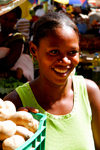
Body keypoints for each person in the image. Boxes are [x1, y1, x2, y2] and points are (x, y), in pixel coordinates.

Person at [3, 12, 100, 150]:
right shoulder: (15, 104)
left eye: (72, 52)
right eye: (54, 52)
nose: (65, 61)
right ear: (34, 50)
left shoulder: (90, 93)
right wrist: (13, 132)